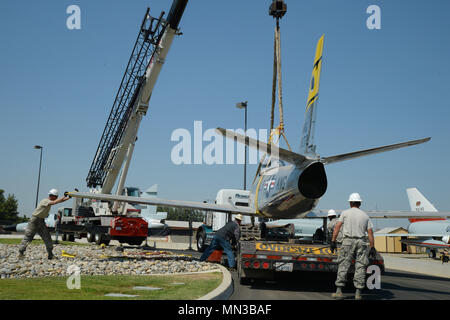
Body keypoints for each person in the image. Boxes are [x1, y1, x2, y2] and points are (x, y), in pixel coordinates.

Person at [330, 193, 375, 300]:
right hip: (361, 242)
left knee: (343, 264)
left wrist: (333, 241)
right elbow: (370, 233)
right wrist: (372, 247)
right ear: (360, 203)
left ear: (350, 202)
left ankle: (339, 291)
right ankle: (358, 293)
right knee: (360, 266)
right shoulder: (365, 216)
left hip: (348, 242)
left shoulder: (345, 213)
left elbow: (337, 228)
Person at [18, 189, 70, 260]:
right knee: (28, 236)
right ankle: (21, 253)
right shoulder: (45, 201)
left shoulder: (51, 201)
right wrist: (64, 196)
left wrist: (68, 197)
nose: (57, 198)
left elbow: (59, 201)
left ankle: (50, 255)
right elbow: (55, 202)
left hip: (41, 221)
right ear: (52, 196)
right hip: (34, 221)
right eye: (56, 196)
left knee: (47, 237)